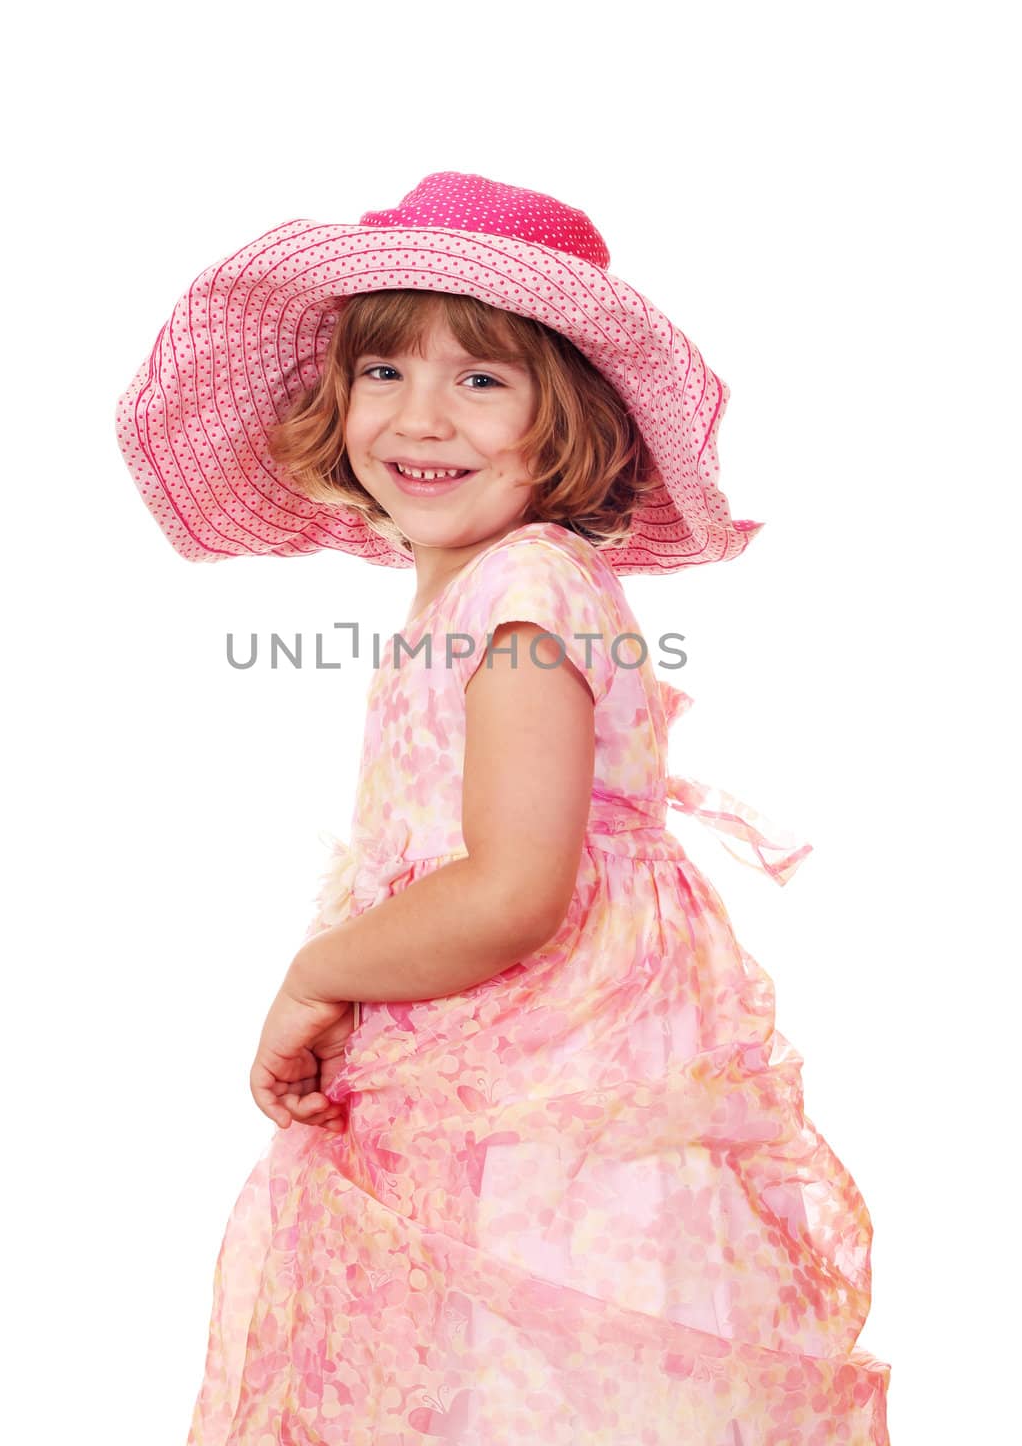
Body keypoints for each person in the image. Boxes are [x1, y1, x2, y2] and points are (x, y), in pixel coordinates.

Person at [115, 172, 891, 1444]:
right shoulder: (483, 590)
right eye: (385, 374)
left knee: (536, 1384)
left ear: (566, 419)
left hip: (549, 1115)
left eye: (481, 380)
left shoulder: (523, 593)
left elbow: (509, 889)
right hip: (483, 1092)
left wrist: (317, 975)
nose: (422, 416)